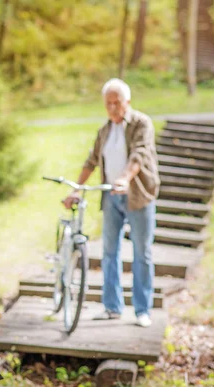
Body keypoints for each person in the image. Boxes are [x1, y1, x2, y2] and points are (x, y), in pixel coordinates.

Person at [64, 78, 159, 328]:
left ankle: (142, 310)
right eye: (109, 103)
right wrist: (76, 190)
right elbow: (91, 161)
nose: (113, 108)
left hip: (138, 197)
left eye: (117, 103)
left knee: (142, 253)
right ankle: (112, 307)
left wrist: (125, 179)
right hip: (111, 197)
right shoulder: (105, 130)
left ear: (127, 102)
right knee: (109, 252)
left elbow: (139, 154)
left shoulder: (141, 123)